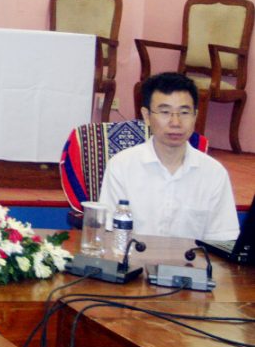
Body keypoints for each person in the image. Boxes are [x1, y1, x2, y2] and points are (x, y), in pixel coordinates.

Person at [99, 72, 239, 241]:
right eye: (165, 112)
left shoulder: (214, 173)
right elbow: (110, 235)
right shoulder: (121, 166)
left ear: (195, 116)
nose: (175, 123)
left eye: (184, 112)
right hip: (133, 264)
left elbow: (223, 239)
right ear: (146, 116)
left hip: (193, 266)